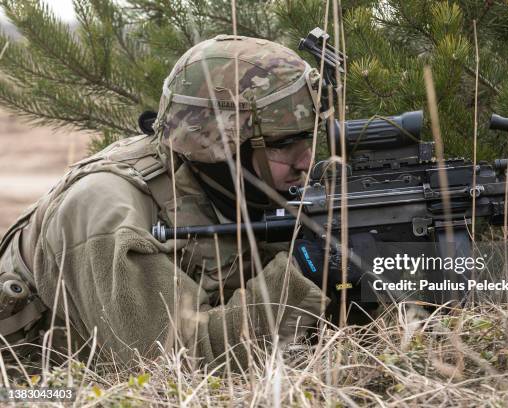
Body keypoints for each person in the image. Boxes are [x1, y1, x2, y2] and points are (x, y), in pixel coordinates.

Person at [0, 35, 332, 368]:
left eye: (310, 138)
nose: (305, 161)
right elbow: (171, 365)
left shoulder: (235, 187)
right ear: (219, 144)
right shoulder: (105, 211)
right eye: (284, 143)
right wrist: (304, 272)